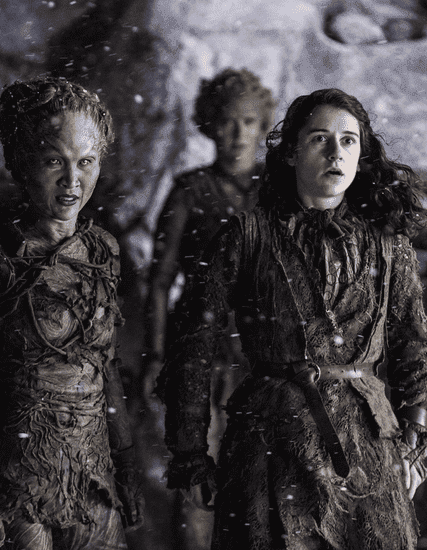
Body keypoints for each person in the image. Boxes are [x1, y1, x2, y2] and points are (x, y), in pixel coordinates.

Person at [159, 88, 427, 550]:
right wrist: (191, 455)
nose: (335, 153)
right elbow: (193, 345)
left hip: (369, 446)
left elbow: (415, 342)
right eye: (319, 139)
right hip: (268, 445)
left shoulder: (388, 245)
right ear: (291, 152)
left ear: (361, 155)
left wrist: (413, 441)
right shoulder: (247, 235)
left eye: (348, 141)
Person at [0, 77, 144, 550]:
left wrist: (126, 463)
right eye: (53, 161)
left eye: (86, 162)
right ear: (20, 163)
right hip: (16, 475)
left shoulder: (103, 251)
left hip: (94, 477)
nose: (72, 181)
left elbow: (105, 366)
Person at [142, 68, 275, 550]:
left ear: (263, 127)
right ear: (208, 126)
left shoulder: (277, 191)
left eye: (248, 122)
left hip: (263, 356)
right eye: (226, 122)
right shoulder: (189, 190)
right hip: (198, 353)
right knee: (198, 473)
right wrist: (156, 356)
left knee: (264, 476)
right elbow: (159, 282)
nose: (237, 134)